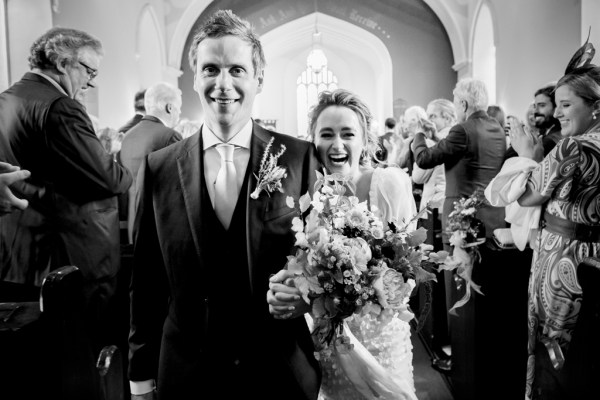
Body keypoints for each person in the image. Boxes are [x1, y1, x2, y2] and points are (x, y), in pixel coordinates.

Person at [127, 10, 321, 400]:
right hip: (189, 372)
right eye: (211, 69)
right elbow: (147, 279)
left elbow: (320, 259)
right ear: (195, 78)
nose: (223, 83)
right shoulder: (160, 167)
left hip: (277, 368)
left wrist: (307, 297)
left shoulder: (298, 158)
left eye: (236, 70)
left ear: (258, 79)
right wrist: (140, 376)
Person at [0, 27, 132, 399]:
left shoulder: (6, 99)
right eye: (89, 71)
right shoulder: (60, 107)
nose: (91, 82)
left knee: (39, 366)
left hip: (21, 256)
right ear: (62, 62)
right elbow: (107, 178)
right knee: (82, 365)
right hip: (71, 257)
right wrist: (119, 164)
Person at [268, 88, 418, 400]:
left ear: (364, 140)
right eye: (327, 134)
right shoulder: (309, 193)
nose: (337, 144)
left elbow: (408, 271)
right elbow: (302, 262)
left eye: (347, 133)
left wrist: (359, 290)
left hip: (381, 338)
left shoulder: (387, 183)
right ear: (314, 142)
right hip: (331, 343)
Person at [506, 44, 600, 400]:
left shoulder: (572, 147)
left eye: (566, 104)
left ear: (595, 107)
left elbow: (527, 195)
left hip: (565, 260)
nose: (558, 113)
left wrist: (526, 156)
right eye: (556, 103)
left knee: (554, 352)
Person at [411, 78, 506, 399]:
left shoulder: (462, 130)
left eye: (456, 99)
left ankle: (462, 363)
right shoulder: (496, 128)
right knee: (483, 298)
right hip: (492, 220)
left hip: (462, 223)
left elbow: (425, 159)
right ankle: (479, 362)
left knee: (460, 295)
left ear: (463, 105)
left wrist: (419, 137)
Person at [120, 81, 183, 244]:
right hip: (159, 225)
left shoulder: (127, 136)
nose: (179, 114)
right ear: (170, 108)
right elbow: (178, 186)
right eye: (179, 108)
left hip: (133, 221)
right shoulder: (170, 136)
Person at [505, 83, 563, 160]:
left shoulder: (551, 140)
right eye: (535, 106)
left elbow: (511, 158)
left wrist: (521, 137)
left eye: (542, 105)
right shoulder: (545, 132)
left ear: (556, 107)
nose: (535, 111)